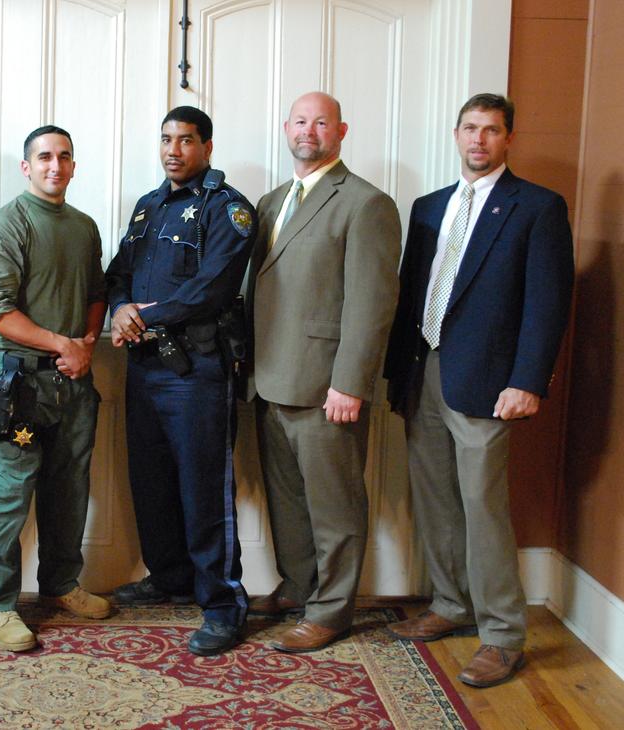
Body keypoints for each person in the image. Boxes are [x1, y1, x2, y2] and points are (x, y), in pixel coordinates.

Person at [383, 93, 574, 688]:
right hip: (427, 372)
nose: (479, 140)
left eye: (492, 130)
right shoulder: (428, 207)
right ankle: (450, 604)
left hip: (489, 383)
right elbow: (410, 295)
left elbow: (548, 302)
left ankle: (501, 635)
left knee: (483, 509)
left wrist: (527, 381)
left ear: (508, 138)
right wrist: (398, 374)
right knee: (436, 499)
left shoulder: (536, 208)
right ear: (456, 133)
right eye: (470, 128)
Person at [247, 92, 401, 653]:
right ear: (286, 128)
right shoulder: (270, 201)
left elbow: (372, 302)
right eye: (300, 121)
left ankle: (333, 611)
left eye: (321, 122)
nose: (309, 130)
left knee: (334, 506)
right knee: (286, 502)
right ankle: (298, 587)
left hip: (325, 387)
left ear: (341, 130)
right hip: (269, 380)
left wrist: (351, 382)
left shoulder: (366, 203)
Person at [106, 106, 255, 656]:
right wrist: (120, 306)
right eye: (166, 139)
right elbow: (117, 273)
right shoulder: (149, 208)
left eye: (186, 140)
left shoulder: (227, 208)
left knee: (202, 488)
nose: (173, 150)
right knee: (151, 481)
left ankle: (222, 604)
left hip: (197, 369)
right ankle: (169, 577)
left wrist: (146, 314)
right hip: (144, 367)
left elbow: (213, 288)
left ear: (207, 147)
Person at [0, 126, 109, 652]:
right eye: (44, 157)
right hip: (21, 384)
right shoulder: (2, 226)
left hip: (74, 383)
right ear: (26, 167)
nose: (55, 165)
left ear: (74, 165)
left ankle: (60, 584)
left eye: (64, 157)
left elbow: (97, 291)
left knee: (69, 489)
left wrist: (87, 343)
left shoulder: (84, 226)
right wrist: (61, 344)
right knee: (9, 494)